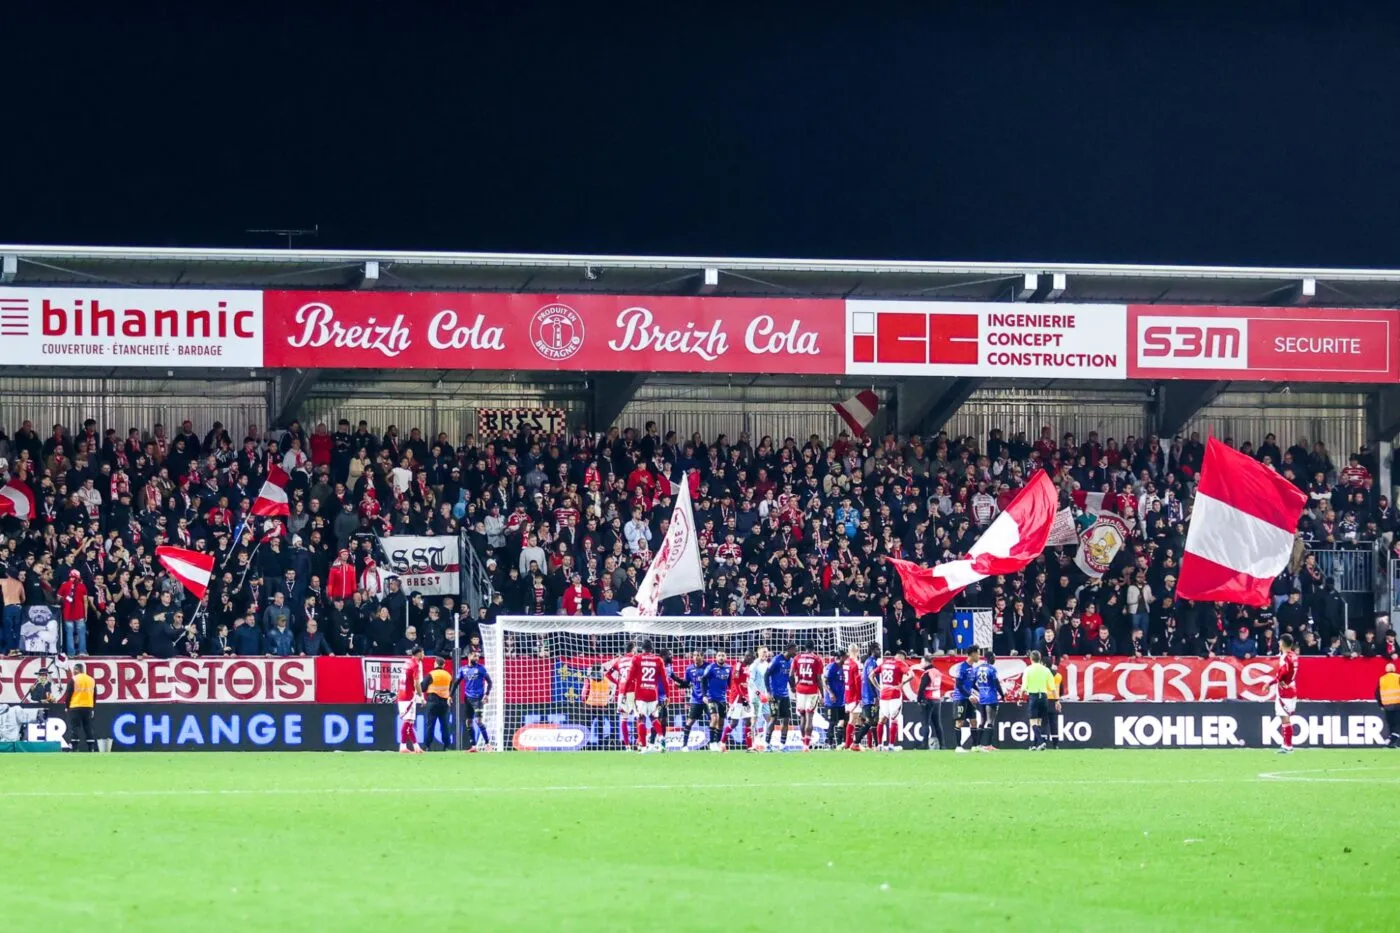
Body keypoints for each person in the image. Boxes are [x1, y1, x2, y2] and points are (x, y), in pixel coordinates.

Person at [624, 638, 667, 752]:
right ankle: (662, 739)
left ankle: (643, 747)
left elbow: (629, 678)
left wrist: (624, 691)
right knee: (654, 718)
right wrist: (668, 695)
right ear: (652, 648)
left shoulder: (637, 658)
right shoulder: (658, 660)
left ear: (641, 649)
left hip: (641, 694)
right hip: (653, 694)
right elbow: (664, 680)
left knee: (641, 719)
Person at [453, 649, 493, 752]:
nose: (477, 658)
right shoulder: (462, 669)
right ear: (469, 656)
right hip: (467, 699)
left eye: (478, 656)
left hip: (478, 698)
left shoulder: (481, 669)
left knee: (478, 721)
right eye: (475, 656)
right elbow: (456, 683)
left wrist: (486, 694)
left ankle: (488, 744)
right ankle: (474, 746)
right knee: (468, 721)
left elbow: (490, 682)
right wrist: (450, 696)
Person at [872, 649, 910, 751]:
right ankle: (891, 746)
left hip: (884, 695)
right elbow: (911, 675)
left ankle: (879, 745)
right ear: (902, 657)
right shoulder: (900, 664)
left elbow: (871, 675)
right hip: (895, 695)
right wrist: (902, 684)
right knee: (894, 719)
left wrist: (879, 687)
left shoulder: (885, 663)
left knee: (882, 720)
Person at [602, 641, 638, 750]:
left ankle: (627, 746)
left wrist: (618, 683)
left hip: (622, 692)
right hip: (633, 690)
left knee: (624, 718)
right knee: (638, 717)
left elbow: (607, 674)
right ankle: (640, 743)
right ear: (633, 649)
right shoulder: (636, 659)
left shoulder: (619, 660)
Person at [671, 650, 708, 750]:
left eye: (698, 655)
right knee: (690, 721)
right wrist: (679, 685)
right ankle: (684, 745)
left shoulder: (708, 667)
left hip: (708, 699)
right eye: (694, 655)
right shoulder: (689, 669)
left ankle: (715, 743)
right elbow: (687, 683)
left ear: (703, 657)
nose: (696, 657)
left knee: (714, 719)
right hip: (696, 699)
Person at [790, 642, 824, 751]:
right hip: (812, 690)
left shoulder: (797, 658)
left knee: (802, 716)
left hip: (800, 690)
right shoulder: (817, 659)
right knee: (810, 717)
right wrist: (822, 694)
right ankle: (806, 745)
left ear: (805, 647)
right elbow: (819, 679)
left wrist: (793, 687)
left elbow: (791, 675)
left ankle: (803, 742)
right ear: (814, 647)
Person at [697, 650, 732, 750]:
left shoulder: (729, 668)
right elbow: (703, 679)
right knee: (714, 717)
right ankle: (711, 742)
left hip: (722, 698)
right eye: (719, 655)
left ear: (726, 657)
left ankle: (717, 742)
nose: (721, 657)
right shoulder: (711, 667)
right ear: (716, 657)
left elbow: (730, 684)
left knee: (721, 722)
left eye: (723, 655)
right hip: (711, 697)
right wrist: (704, 695)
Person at [1271, 633, 1299, 755]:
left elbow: (1284, 671)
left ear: (1282, 643)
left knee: (1285, 717)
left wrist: (1274, 681)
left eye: (1279, 642)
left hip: (1285, 690)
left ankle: (1288, 746)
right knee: (1284, 717)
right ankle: (1285, 744)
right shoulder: (1294, 655)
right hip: (1292, 688)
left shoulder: (1285, 657)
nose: (1278, 644)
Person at [763, 643, 794, 752]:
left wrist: (793, 687)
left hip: (785, 695)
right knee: (774, 718)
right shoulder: (776, 660)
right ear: (789, 649)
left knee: (786, 720)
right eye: (795, 650)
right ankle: (766, 744)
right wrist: (768, 691)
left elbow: (789, 677)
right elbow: (766, 674)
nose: (796, 652)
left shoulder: (790, 662)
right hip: (774, 694)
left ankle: (782, 745)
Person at [973, 649, 1004, 752]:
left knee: (982, 720)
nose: (994, 659)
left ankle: (977, 744)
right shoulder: (991, 669)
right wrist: (1002, 694)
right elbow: (996, 683)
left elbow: (972, 683)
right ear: (990, 658)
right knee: (991, 721)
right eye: (994, 657)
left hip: (982, 697)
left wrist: (980, 690)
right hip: (991, 697)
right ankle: (989, 745)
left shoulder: (977, 668)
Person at [952, 646, 982, 754]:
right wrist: (969, 695)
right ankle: (958, 747)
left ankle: (975, 746)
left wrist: (981, 692)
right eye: (978, 654)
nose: (979, 656)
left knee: (974, 721)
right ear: (973, 654)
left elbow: (973, 684)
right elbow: (959, 685)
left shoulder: (973, 669)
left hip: (969, 698)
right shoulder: (961, 667)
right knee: (960, 721)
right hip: (960, 697)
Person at [1022, 650, 1054, 750]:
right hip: (1044, 697)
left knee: (1033, 722)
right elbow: (1052, 687)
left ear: (1031, 659)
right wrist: (1057, 700)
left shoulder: (1028, 670)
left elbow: (1024, 687)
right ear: (1040, 658)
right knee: (1039, 722)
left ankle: (1041, 742)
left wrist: (1020, 697)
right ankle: (1035, 745)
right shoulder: (1046, 670)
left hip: (1034, 697)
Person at [61, 661, 96, 752]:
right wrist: (92, 707)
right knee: (88, 727)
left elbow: (68, 694)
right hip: (88, 707)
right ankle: (91, 748)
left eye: (75, 669)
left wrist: (67, 706)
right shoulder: (91, 680)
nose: (74, 671)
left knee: (74, 727)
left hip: (75, 707)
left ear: (80, 670)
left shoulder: (73, 679)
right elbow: (94, 695)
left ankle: (75, 748)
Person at [913, 651, 944, 750]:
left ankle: (924, 745)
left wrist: (919, 699)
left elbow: (922, 688)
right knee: (937, 724)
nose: (920, 664)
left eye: (922, 662)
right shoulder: (937, 672)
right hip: (937, 700)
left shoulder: (927, 673)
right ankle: (942, 745)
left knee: (925, 723)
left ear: (927, 662)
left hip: (928, 700)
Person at [420, 658, 453, 751]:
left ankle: (427, 746)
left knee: (430, 725)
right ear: (443, 665)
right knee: (445, 725)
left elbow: (422, 688)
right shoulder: (448, 675)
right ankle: (446, 746)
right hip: (444, 703)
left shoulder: (431, 674)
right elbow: (451, 688)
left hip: (433, 702)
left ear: (435, 664)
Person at [397, 647, 425, 754]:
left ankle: (415, 747)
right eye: (423, 653)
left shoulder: (407, 662)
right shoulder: (415, 665)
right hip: (408, 696)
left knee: (409, 723)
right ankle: (403, 746)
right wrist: (421, 697)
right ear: (418, 654)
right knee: (407, 722)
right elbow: (416, 683)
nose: (424, 655)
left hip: (402, 694)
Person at [841, 644, 864, 750]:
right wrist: (860, 697)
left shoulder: (845, 663)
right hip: (854, 695)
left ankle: (849, 744)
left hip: (847, 694)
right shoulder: (856, 664)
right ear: (857, 651)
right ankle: (849, 744)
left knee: (853, 719)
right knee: (853, 719)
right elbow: (858, 682)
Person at [822, 652, 846, 750]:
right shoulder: (831, 667)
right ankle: (828, 743)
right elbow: (824, 681)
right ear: (840, 657)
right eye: (844, 657)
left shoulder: (842, 667)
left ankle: (839, 743)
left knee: (842, 720)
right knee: (832, 721)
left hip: (841, 699)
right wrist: (830, 693)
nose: (846, 659)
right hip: (831, 700)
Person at [1376, 662, 1400, 748]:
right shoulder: (1398, 677)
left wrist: (1381, 705)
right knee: (1398, 724)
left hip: (1387, 706)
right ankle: (1391, 741)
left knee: (1391, 724)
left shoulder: (1382, 679)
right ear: (1394, 669)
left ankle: (1391, 742)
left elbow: (1377, 693)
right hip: (1398, 704)